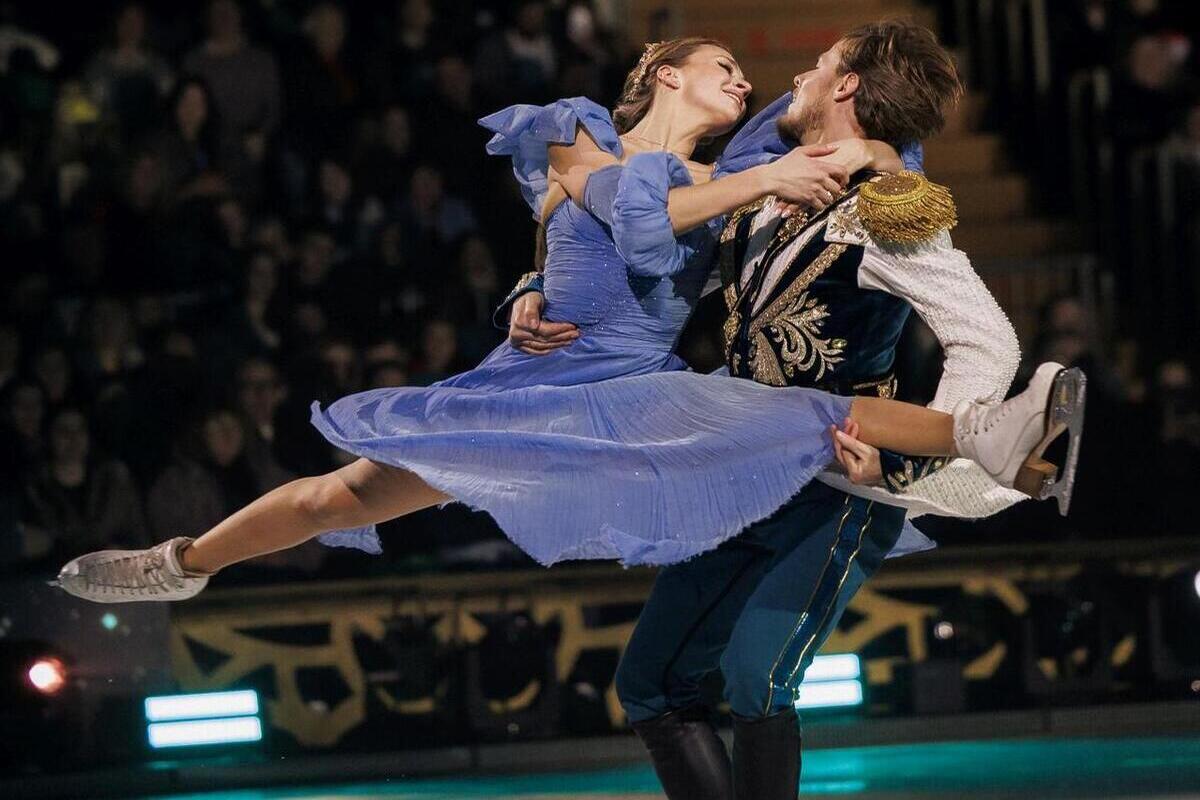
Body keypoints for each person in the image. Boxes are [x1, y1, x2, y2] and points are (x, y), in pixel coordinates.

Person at [54, 39, 1082, 620]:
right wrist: (530, 287)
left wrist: (867, 154)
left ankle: (990, 441)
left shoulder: (725, 169)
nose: (748, 82)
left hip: (629, 390)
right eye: (724, 65)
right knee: (343, 495)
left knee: (804, 415)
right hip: (531, 380)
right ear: (664, 71)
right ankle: (182, 562)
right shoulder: (577, 130)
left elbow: (857, 123)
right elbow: (630, 222)